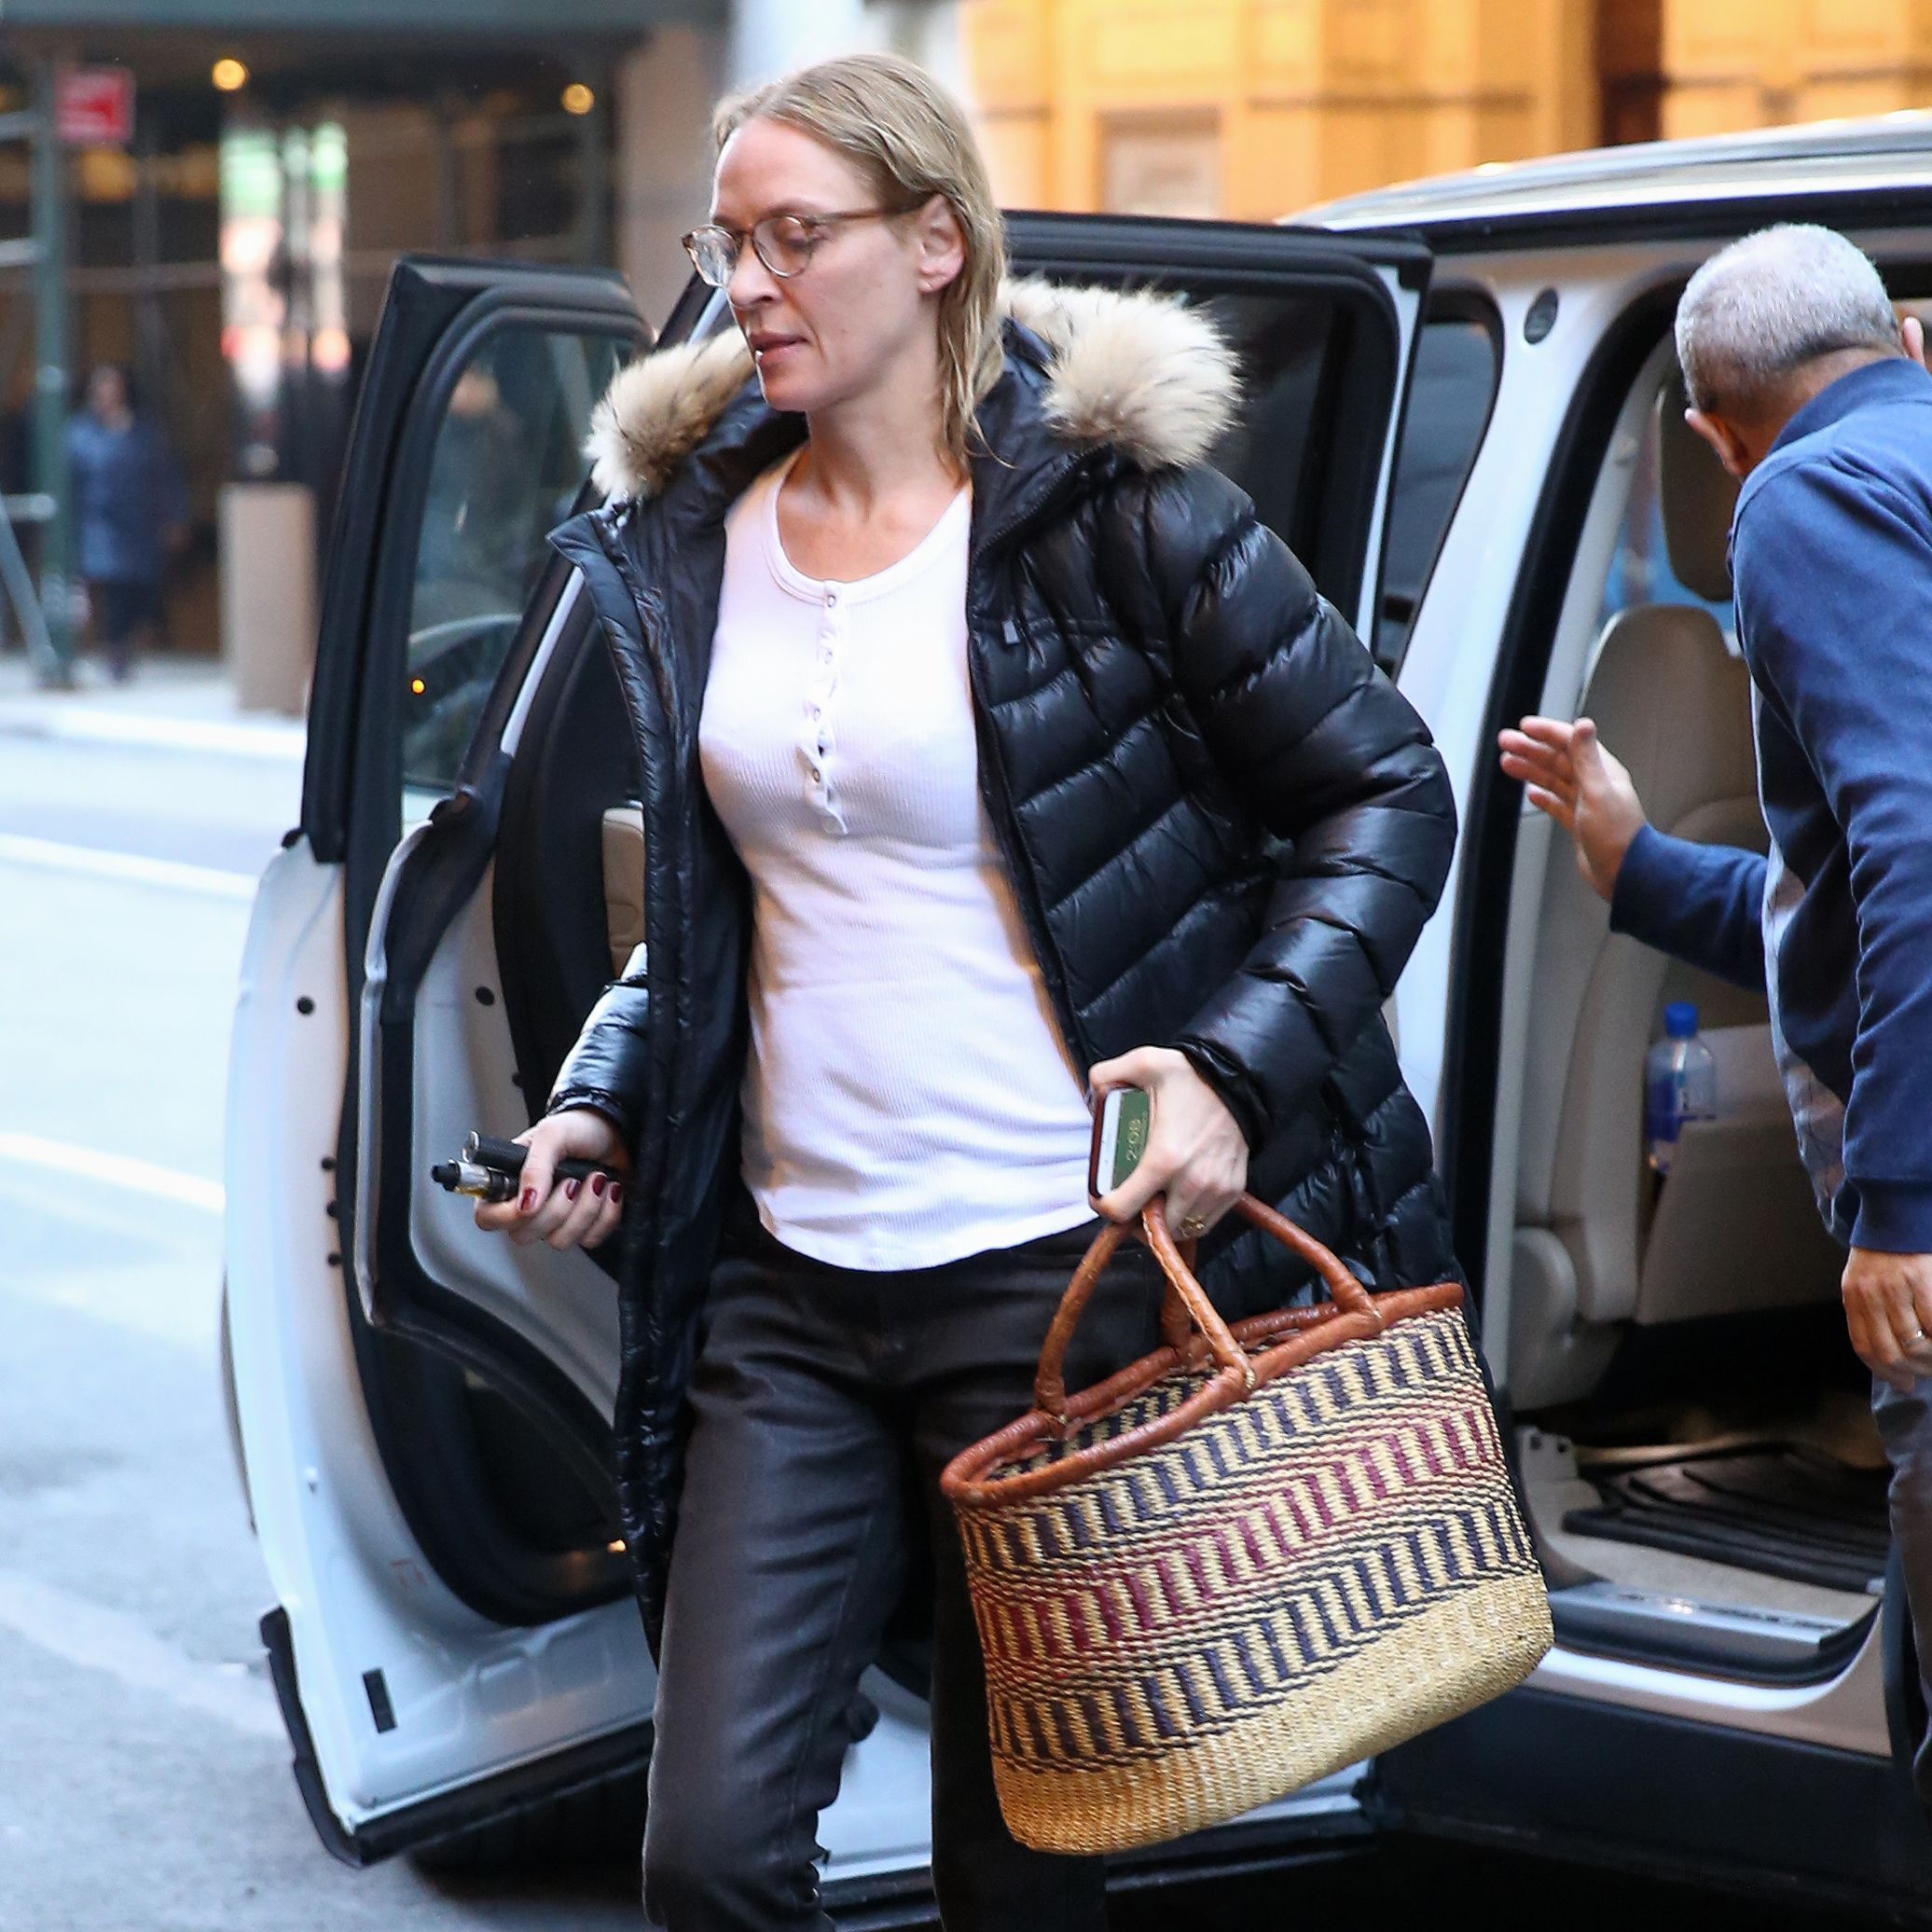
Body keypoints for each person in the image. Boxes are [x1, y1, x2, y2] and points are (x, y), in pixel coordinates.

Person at [480, 52, 1459, 1931]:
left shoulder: (1115, 516)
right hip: (783, 1287)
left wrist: (1232, 1075)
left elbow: (1382, 789)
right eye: (727, 243)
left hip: (1050, 1282)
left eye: (794, 237)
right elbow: (716, 908)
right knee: (707, 1856)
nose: (749, 282)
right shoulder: (690, 543)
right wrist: (604, 1090)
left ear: (935, 244)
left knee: (1024, 1866)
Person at [1499, 223, 1932, 1797]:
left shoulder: (1803, 501)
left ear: (1709, 437)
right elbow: (1849, 898)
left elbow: (1917, 853)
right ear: (1897, 331)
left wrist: (1901, 1206)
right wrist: (1635, 859)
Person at [64, 364, 188, 682]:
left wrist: (174, 516)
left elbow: (164, 476)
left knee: (139, 589)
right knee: (112, 586)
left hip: (140, 524)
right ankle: (115, 649)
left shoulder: (144, 432)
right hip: (100, 523)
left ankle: (129, 643)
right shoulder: (79, 433)